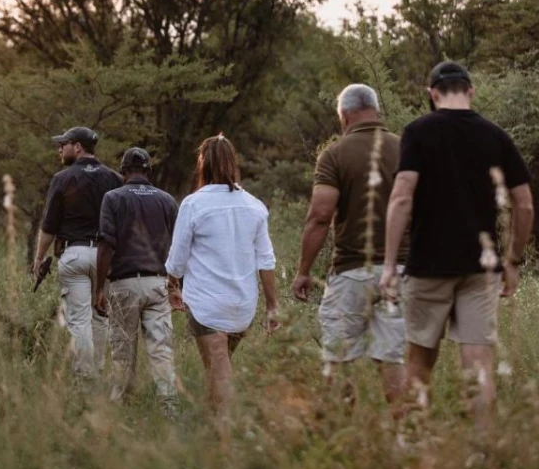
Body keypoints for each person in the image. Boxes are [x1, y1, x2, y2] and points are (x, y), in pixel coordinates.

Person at [381, 61, 534, 434]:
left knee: (419, 363)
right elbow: (525, 204)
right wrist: (512, 260)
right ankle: (481, 454)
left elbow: (401, 197)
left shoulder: (418, 131)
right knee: (479, 363)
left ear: (433, 94)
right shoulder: (495, 136)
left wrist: (388, 265)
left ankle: (412, 444)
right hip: (480, 270)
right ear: (470, 91)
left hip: (428, 266)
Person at [291, 84, 408, 407]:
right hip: (399, 272)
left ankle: (342, 440)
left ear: (343, 116)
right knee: (392, 359)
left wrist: (303, 271)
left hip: (351, 272)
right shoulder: (404, 148)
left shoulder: (334, 154)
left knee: (339, 359)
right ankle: (408, 440)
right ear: (376, 109)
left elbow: (320, 215)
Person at [166, 134, 279, 416]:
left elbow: (177, 259)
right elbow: (265, 260)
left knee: (218, 367)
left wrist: (172, 285)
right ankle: (212, 431)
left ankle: (230, 433)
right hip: (243, 305)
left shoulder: (193, 204)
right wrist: (272, 305)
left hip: (206, 304)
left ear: (202, 163)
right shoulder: (255, 206)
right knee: (218, 366)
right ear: (233, 163)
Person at [92, 147, 180, 412]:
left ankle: (121, 407)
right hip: (158, 283)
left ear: (122, 171)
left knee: (122, 351)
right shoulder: (167, 200)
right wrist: (177, 285)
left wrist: (99, 288)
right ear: (148, 171)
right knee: (161, 350)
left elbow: (107, 245)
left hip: (124, 283)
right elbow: (178, 247)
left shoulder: (113, 198)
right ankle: (170, 407)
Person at [33, 126, 123, 377]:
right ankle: (98, 370)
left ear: (78, 147)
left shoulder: (62, 179)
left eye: (64, 144)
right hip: (107, 257)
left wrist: (39, 258)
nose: (60, 148)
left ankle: (86, 376)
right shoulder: (115, 178)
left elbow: (49, 226)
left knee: (79, 320)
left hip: (75, 254)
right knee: (101, 317)